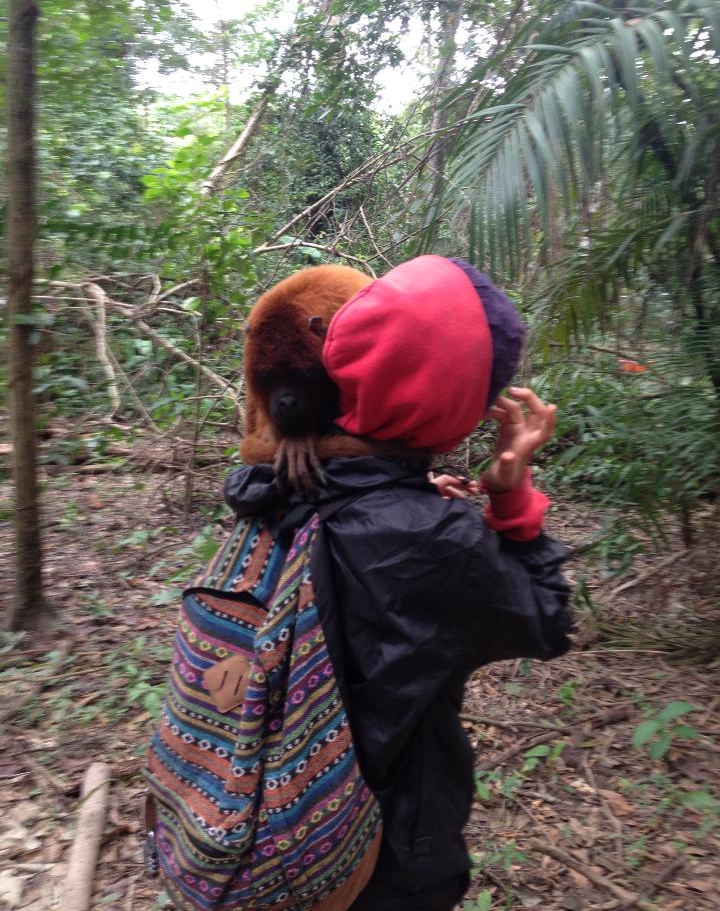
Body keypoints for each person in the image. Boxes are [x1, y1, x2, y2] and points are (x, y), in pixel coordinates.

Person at [226, 254, 572, 911]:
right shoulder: (433, 538)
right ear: (456, 401)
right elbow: (547, 618)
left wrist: (409, 489)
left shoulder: (271, 487)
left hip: (271, 817)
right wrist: (511, 498)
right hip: (384, 853)